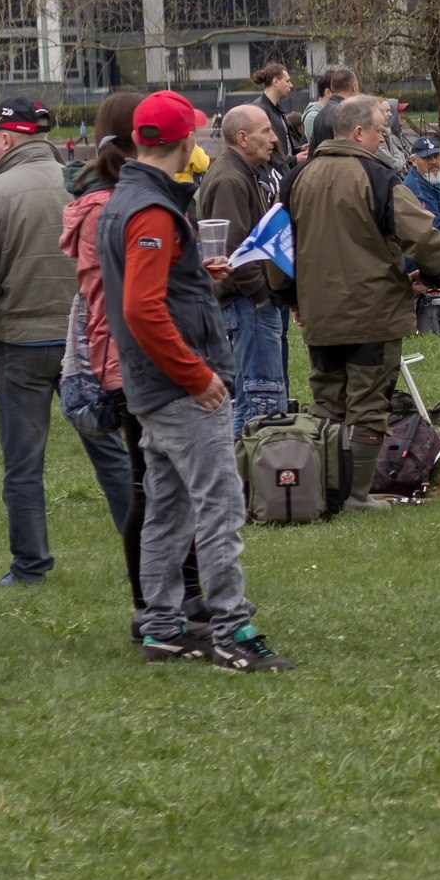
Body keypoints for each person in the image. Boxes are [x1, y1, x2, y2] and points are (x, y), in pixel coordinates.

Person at [103, 91, 287, 670]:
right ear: (185, 142)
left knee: (167, 507)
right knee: (219, 506)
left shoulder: (127, 198)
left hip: (150, 384)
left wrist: (192, 274)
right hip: (177, 386)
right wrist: (197, 375)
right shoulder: (152, 210)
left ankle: (162, 626)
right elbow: (141, 308)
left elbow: (148, 291)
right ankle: (232, 630)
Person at [0, 96, 132, 585]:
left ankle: (30, 565)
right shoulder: (83, 184)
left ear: (6, 140)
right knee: (110, 453)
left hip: (19, 342)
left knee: (23, 464)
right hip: (83, 339)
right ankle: (147, 548)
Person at [62, 91, 198, 631]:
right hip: (131, 358)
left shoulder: (114, 200)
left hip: (128, 352)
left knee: (169, 482)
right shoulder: (115, 206)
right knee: (154, 484)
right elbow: (124, 299)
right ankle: (156, 603)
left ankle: (182, 595)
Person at [288, 92, 440, 510]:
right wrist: (435, 274)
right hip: (373, 312)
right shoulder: (378, 178)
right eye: (380, 131)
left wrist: (290, 297)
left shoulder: (297, 177)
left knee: (327, 402)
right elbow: (424, 237)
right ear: (358, 132)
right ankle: (356, 495)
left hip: (320, 313)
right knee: (368, 404)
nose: (383, 139)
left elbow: (277, 245)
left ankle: (323, 490)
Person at [196, 103, 293, 433]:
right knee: (261, 398)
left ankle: (245, 458)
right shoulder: (230, 180)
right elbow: (234, 251)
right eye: (265, 131)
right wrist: (261, 295)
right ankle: (252, 461)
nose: (273, 139)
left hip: (251, 301)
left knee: (258, 394)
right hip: (249, 303)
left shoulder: (243, 173)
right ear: (242, 138)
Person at [248, 62, 300, 173]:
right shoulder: (260, 111)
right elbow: (265, 151)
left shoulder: (276, 110)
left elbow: (282, 147)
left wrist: (298, 150)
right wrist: (294, 160)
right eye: (287, 81)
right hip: (275, 175)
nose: (291, 85)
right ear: (276, 82)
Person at [303, 66, 359, 154]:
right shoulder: (349, 114)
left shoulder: (319, 115)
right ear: (354, 86)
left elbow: (312, 151)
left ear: (332, 87)